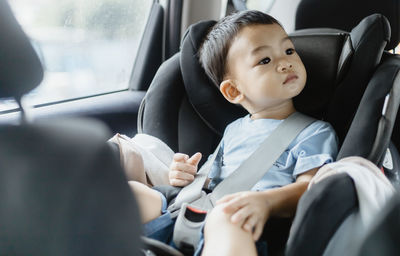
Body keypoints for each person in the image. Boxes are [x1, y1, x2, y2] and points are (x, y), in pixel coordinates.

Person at [129, 10, 338, 256]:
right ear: (233, 92)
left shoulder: (314, 132)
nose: (285, 62)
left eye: (289, 51)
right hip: (193, 210)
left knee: (226, 217)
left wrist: (266, 202)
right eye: (265, 61)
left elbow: (310, 187)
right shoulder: (234, 130)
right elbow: (210, 180)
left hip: (247, 219)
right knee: (131, 191)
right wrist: (183, 174)